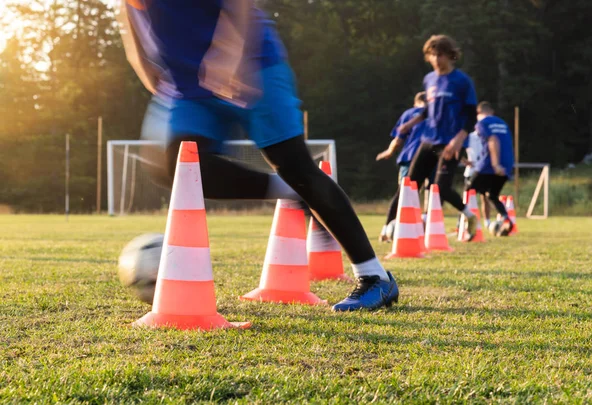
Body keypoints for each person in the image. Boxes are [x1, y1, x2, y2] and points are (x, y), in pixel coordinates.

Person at [117, 0, 398, 311]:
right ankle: (291, 192)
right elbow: (132, 32)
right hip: (188, 88)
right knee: (176, 168)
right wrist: (151, 77)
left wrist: (230, 56)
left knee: (295, 167)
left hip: (251, 62)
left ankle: (375, 278)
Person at [398, 35, 479, 240]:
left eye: (440, 54)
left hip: (451, 143)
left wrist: (458, 140)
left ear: (450, 55)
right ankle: (399, 227)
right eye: (432, 54)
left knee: (439, 188)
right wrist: (411, 123)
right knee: (410, 184)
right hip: (430, 141)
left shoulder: (462, 81)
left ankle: (469, 216)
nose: (436, 59)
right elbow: (428, 111)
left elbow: (471, 116)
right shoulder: (429, 80)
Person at [376, 92, 427, 242]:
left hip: (410, 157)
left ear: (415, 103)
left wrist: (389, 152)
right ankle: (424, 230)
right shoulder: (436, 114)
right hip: (433, 157)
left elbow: (398, 139)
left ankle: (385, 231)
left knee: (402, 194)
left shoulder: (409, 114)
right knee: (432, 192)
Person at [468, 101, 515, 236]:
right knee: (492, 195)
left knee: (469, 190)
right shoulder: (503, 123)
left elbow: (493, 140)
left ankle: (466, 226)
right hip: (507, 164)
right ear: (492, 112)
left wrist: (495, 164)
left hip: (489, 165)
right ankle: (506, 218)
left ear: (478, 113)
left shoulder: (482, 123)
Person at [463, 131, 492, 229]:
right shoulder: (469, 136)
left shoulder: (488, 136)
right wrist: (465, 161)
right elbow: (457, 149)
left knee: (485, 197)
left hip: (484, 172)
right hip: (471, 172)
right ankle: (462, 221)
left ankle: (487, 221)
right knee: (467, 198)